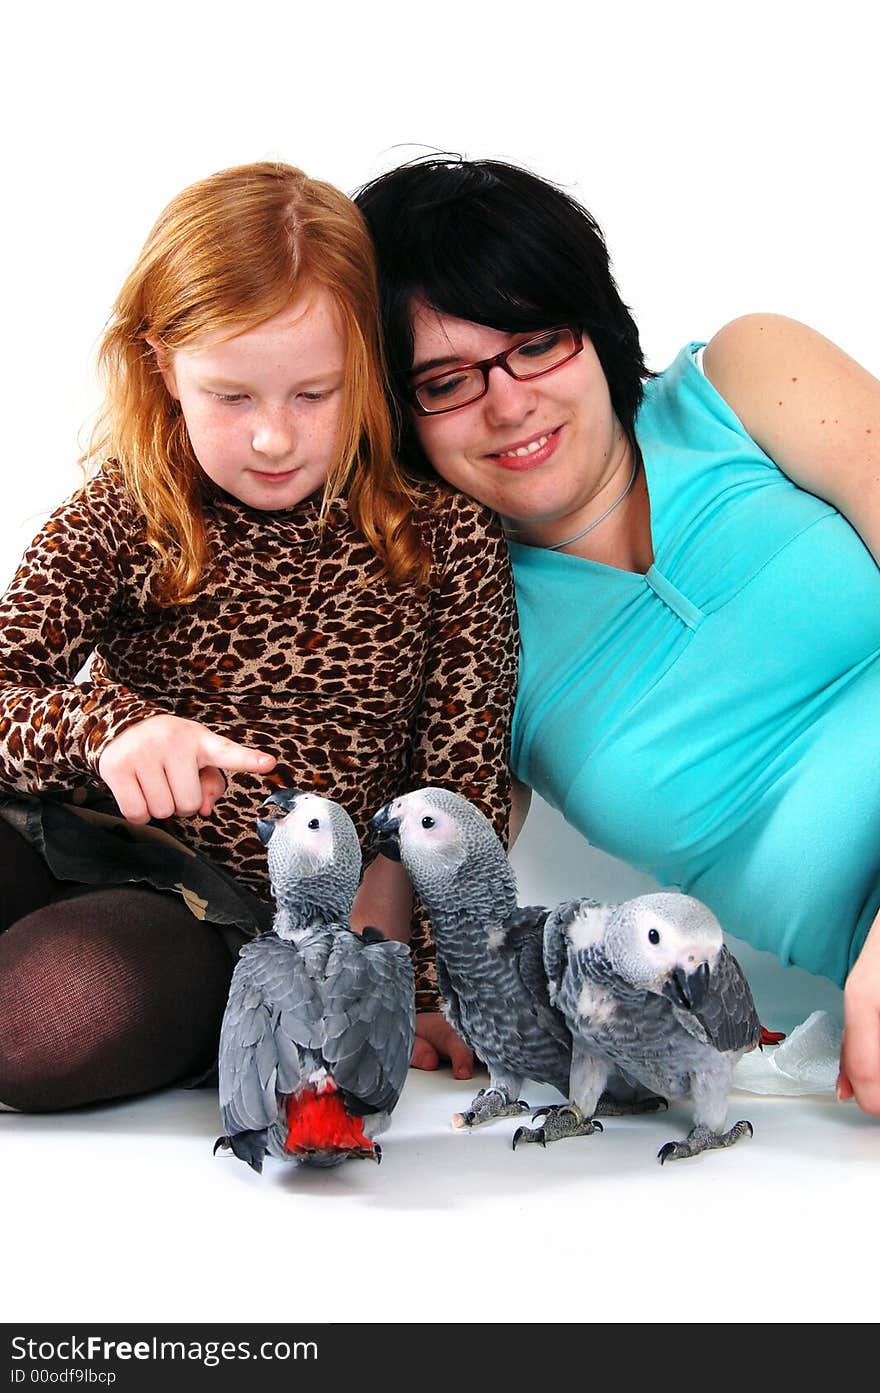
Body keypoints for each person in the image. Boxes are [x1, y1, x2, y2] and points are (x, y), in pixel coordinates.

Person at [354, 156, 880, 1117]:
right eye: (446, 380)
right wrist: (395, 991)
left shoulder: (746, 380)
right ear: (396, 419)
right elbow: (401, 880)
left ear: (593, 328)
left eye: (537, 342)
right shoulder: (471, 631)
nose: (509, 403)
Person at [0, 160, 517, 1112]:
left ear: (363, 359)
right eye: (232, 397)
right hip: (72, 837)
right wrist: (107, 728)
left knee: (42, 1018)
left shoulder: (446, 538)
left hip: (250, 920)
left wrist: (441, 986)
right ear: (163, 365)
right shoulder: (126, 510)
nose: (273, 439)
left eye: (312, 394)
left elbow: (462, 772)